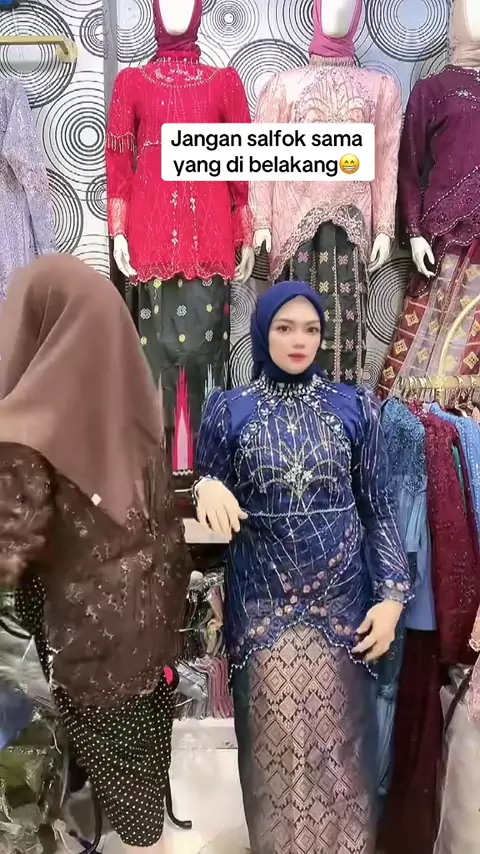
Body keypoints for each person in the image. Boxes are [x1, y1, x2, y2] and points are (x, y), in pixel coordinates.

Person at [194, 281, 412, 854]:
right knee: (276, 751)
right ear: (262, 333)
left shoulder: (354, 407)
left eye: (311, 329)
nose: (299, 341)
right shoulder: (230, 409)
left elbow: (378, 507)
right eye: (285, 328)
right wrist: (205, 486)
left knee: (342, 752)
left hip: (342, 603)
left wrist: (392, 597)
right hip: (262, 605)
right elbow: (207, 478)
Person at [0, 254, 191, 854]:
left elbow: (9, 558)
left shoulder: (23, 435)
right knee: (134, 814)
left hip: (82, 661)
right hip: (147, 651)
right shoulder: (136, 418)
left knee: (94, 805)